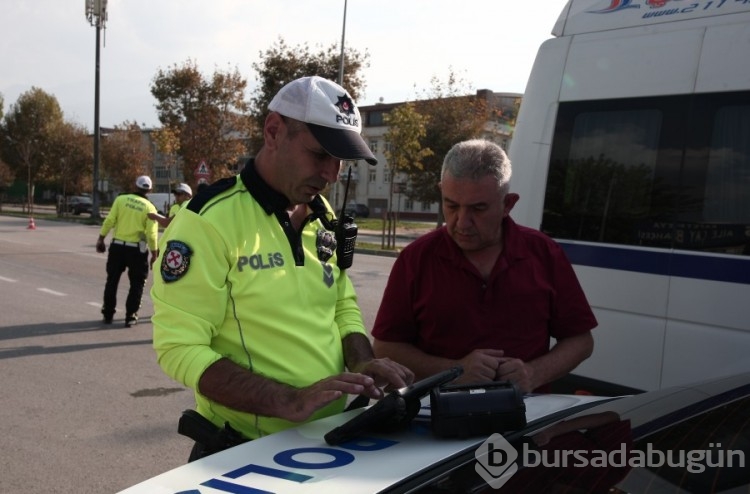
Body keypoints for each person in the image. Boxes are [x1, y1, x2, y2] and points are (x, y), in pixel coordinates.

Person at [151, 75, 413, 461]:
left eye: (341, 161)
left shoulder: (324, 218)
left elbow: (341, 305)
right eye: (321, 154)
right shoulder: (208, 221)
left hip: (328, 440)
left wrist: (361, 361)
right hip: (243, 452)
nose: (331, 175)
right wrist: (288, 401)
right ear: (273, 131)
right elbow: (179, 347)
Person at [372, 139, 597, 393]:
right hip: (434, 422)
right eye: (452, 205)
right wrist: (452, 372)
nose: (462, 222)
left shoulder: (544, 253)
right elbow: (385, 346)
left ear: (508, 204)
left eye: (478, 208)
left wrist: (533, 374)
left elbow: (580, 340)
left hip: (525, 421)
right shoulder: (416, 258)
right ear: (441, 191)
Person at [96, 175, 159, 327]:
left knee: (112, 280)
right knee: (137, 283)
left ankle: (108, 313)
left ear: (135, 186)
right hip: (137, 251)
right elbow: (151, 234)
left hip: (117, 247)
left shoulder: (121, 200)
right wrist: (154, 253)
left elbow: (110, 220)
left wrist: (101, 238)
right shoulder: (149, 207)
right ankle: (131, 315)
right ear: (149, 190)